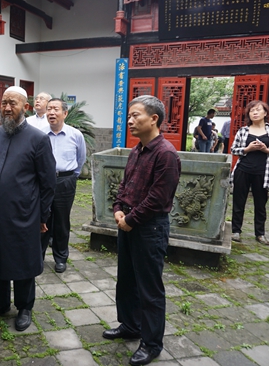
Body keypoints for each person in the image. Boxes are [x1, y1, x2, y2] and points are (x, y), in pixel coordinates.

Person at [103, 95, 181, 366]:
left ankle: (151, 343)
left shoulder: (166, 154)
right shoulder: (137, 150)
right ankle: (130, 325)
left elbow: (158, 198)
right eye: (129, 116)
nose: (130, 121)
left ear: (154, 119)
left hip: (149, 228)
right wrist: (118, 208)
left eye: (135, 115)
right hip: (128, 223)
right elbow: (125, 186)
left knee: (149, 288)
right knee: (126, 280)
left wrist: (131, 219)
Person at [0, 86, 56, 332]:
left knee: (23, 259)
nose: (6, 108)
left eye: (12, 103)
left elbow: (48, 182)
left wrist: (43, 215)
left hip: (24, 213)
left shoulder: (38, 139)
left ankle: (24, 307)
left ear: (25, 107)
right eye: (4, 103)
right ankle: (0, 302)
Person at [230, 100, 269, 245]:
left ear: (265, 113)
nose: (254, 113)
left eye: (258, 110)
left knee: (261, 204)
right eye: (251, 111)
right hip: (243, 170)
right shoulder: (243, 131)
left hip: (263, 172)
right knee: (238, 202)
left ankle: (260, 234)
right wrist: (247, 149)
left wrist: (267, 150)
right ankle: (236, 231)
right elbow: (233, 149)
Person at [40, 98, 86, 273]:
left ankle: (60, 258)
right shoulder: (40, 135)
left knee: (61, 221)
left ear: (65, 113)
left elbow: (81, 158)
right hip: (43, 181)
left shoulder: (75, 135)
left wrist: (71, 176)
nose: (51, 112)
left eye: (55, 109)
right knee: (41, 219)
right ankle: (38, 257)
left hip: (66, 181)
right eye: (49, 109)